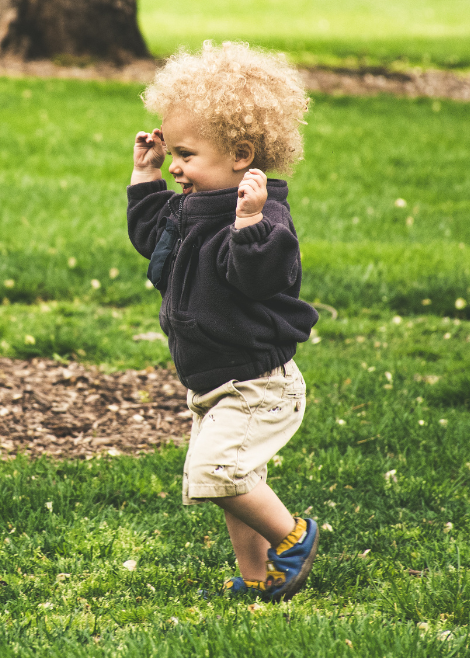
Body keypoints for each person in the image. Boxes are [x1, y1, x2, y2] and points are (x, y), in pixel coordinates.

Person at [126, 41, 319, 601]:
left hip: (257, 382)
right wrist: (146, 177)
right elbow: (149, 239)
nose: (177, 166)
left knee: (219, 474)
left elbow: (260, 278)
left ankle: (295, 535)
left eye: (185, 153)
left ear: (240, 153)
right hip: (213, 379)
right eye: (171, 153)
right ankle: (258, 577)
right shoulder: (187, 207)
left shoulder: (263, 216)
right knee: (236, 481)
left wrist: (250, 224)